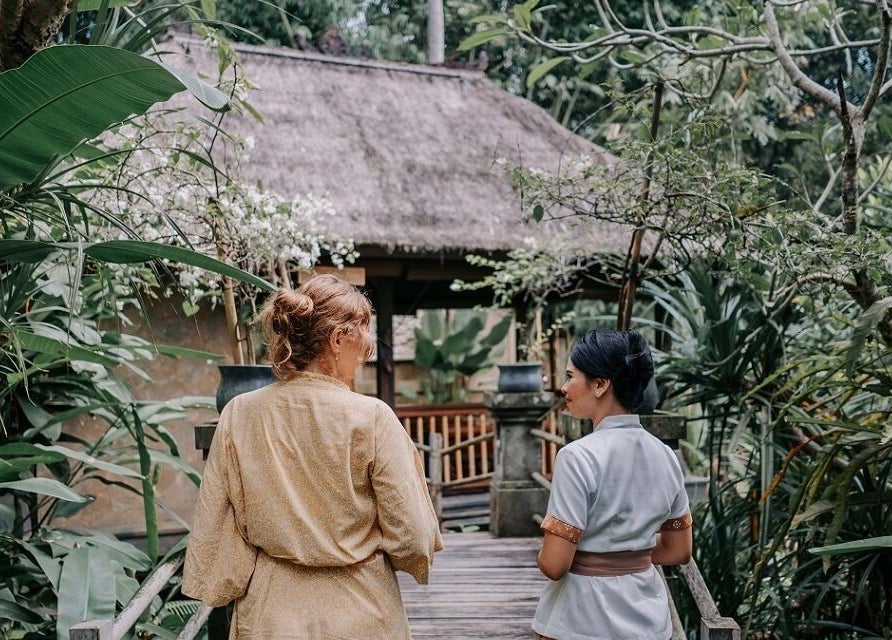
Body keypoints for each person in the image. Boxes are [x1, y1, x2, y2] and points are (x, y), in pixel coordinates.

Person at [183, 274, 443, 639]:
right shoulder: (372, 417)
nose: (369, 347)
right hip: (363, 611)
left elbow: (217, 523)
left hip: (271, 612)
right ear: (338, 339)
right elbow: (412, 535)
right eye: (364, 332)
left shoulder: (241, 413)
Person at [532, 329, 693, 640]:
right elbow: (678, 550)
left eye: (570, 376)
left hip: (582, 618)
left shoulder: (577, 456)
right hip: (647, 615)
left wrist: (570, 554)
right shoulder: (665, 455)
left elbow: (554, 564)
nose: (564, 388)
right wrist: (628, 555)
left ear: (601, 384)